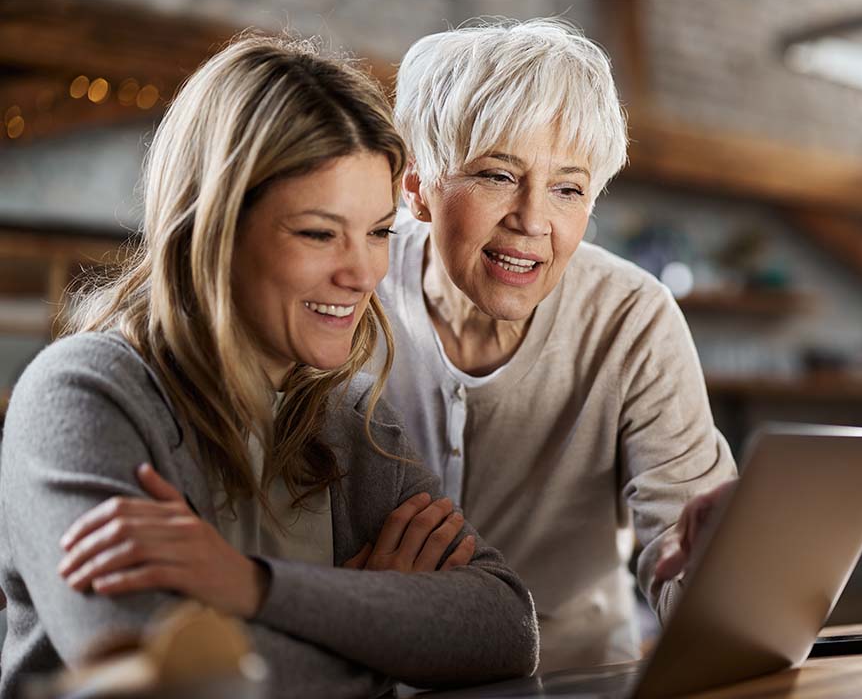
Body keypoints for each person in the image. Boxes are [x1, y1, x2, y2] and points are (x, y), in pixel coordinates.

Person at [0, 35, 537, 699]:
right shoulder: (83, 397)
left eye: (378, 232)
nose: (364, 272)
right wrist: (374, 622)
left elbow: (506, 629)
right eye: (318, 232)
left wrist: (249, 584)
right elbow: (165, 681)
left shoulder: (351, 419)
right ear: (214, 227)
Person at [380, 18, 737, 672]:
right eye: (496, 175)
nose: (532, 221)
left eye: (568, 189)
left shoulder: (634, 317)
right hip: (379, 672)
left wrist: (720, 567)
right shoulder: (354, 287)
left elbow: (690, 579)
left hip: (573, 678)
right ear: (416, 189)